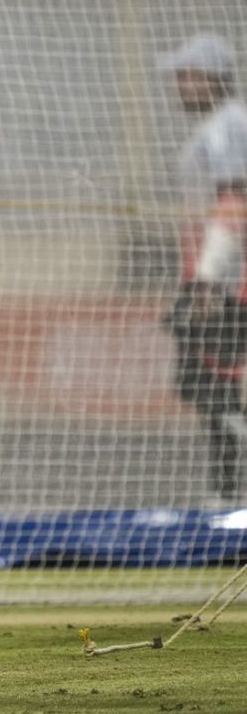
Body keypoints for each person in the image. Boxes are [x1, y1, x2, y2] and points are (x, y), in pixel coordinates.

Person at [161, 34, 247, 506]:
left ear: (212, 78)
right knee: (210, 391)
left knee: (215, 388)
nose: (178, 86)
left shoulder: (226, 126)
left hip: (227, 282)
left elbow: (233, 199)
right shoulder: (217, 126)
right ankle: (224, 493)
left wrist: (210, 279)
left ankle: (226, 495)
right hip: (214, 277)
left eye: (187, 76)